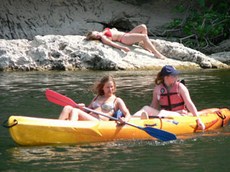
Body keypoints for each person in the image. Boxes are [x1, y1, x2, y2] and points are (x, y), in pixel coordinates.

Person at [133, 65, 205, 130]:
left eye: (176, 74)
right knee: (146, 108)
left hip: (180, 115)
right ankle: (131, 120)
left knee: (163, 112)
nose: (177, 76)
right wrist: (148, 113)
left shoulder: (180, 87)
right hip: (164, 115)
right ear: (166, 77)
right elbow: (153, 106)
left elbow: (189, 104)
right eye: (174, 75)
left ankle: (148, 121)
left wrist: (198, 119)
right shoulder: (157, 89)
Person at [59, 75, 131, 124]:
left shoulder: (117, 100)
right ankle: (58, 126)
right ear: (102, 87)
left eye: (112, 87)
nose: (110, 89)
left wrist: (124, 120)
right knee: (67, 107)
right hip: (90, 118)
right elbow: (87, 110)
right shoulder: (97, 97)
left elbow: (127, 114)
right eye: (107, 87)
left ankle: (71, 128)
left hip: (99, 121)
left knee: (75, 111)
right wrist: (81, 107)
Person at [85, 24, 166, 59]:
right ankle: (156, 53)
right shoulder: (103, 38)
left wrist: (102, 33)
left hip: (127, 34)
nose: (97, 34)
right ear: (96, 38)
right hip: (124, 39)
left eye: (96, 33)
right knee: (144, 36)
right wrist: (123, 47)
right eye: (96, 36)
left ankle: (145, 45)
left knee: (143, 27)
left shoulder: (103, 32)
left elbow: (107, 30)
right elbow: (112, 44)